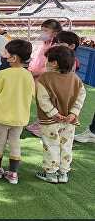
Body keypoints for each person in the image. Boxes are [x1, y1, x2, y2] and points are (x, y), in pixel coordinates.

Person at [35, 46, 86, 184]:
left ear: (54, 63)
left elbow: (43, 99)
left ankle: (51, 173)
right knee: (66, 145)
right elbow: (81, 97)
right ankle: (63, 172)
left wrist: (54, 113)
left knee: (51, 145)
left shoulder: (44, 78)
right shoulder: (75, 78)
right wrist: (73, 113)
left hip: (50, 120)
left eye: (47, 59)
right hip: (69, 121)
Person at [0, 39, 35, 185]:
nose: (4, 55)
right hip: (20, 117)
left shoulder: (3, 74)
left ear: (13, 58)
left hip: (2, 116)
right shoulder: (28, 75)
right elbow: (32, 94)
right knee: (15, 143)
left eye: (6, 53)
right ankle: (13, 173)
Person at [26, 19, 63, 137]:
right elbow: (37, 59)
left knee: (47, 102)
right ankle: (39, 122)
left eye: (46, 30)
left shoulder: (56, 47)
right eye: (42, 30)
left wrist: (35, 72)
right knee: (40, 102)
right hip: (37, 78)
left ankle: (46, 125)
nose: (43, 33)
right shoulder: (44, 44)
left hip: (47, 80)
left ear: (55, 33)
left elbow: (51, 66)